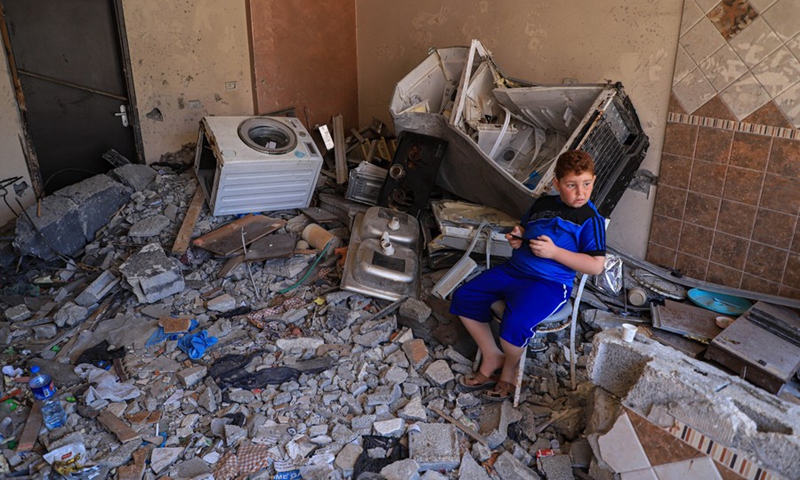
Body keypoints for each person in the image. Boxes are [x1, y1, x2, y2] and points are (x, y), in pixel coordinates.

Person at [449, 150, 606, 400]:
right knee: (464, 296)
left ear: (593, 181)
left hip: (549, 284)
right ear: (557, 184)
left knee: (516, 322)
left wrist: (554, 252)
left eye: (586, 184)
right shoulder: (542, 204)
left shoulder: (589, 219)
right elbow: (524, 227)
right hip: (514, 271)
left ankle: (508, 372)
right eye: (571, 185)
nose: (580, 193)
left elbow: (596, 265)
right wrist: (517, 236)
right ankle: (492, 355)